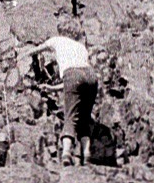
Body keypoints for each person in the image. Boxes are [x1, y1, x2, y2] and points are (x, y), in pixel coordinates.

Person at [25, 17, 99, 166]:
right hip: (91, 77)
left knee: (71, 115)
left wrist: (24, 55)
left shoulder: (56, 40)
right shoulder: (81, 47)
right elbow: (79, 78)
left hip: (73, 75)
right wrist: (52, 88)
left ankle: (66, 153)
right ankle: (86, 152)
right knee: (84, 117)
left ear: (61, 30)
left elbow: (38, 50)